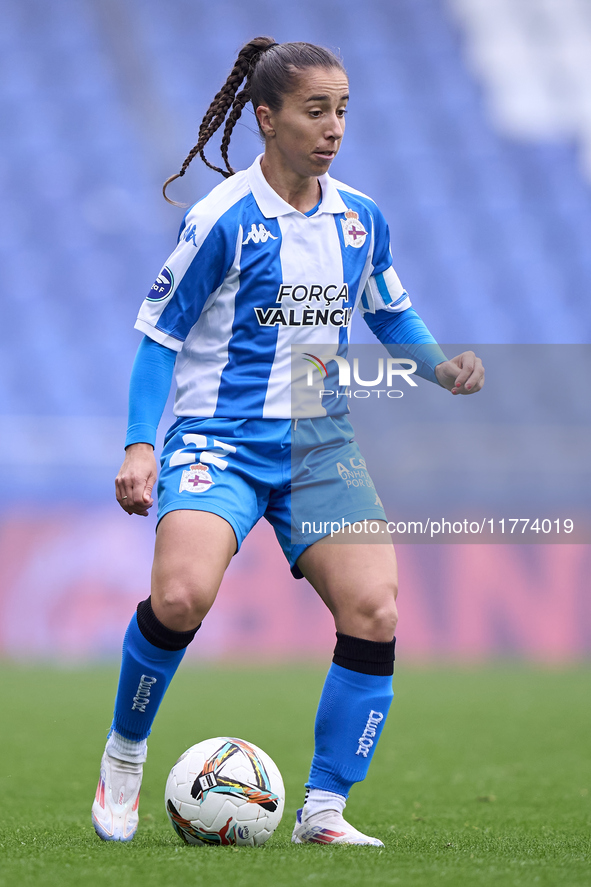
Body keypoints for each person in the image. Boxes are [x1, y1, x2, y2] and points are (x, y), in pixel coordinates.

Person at [91, 37, 484, 846]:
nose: (334, 126)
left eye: (342, 109)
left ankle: (324, 811)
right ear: (267, 120)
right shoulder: (222, 220)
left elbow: (387, 309)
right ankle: (125, 756)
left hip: (317, 442)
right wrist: (140, 444)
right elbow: (158, 337)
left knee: (374, 608)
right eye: (316, 110)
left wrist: (438, 367)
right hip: (220, 439)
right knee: (179, 598)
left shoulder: (359, 218)